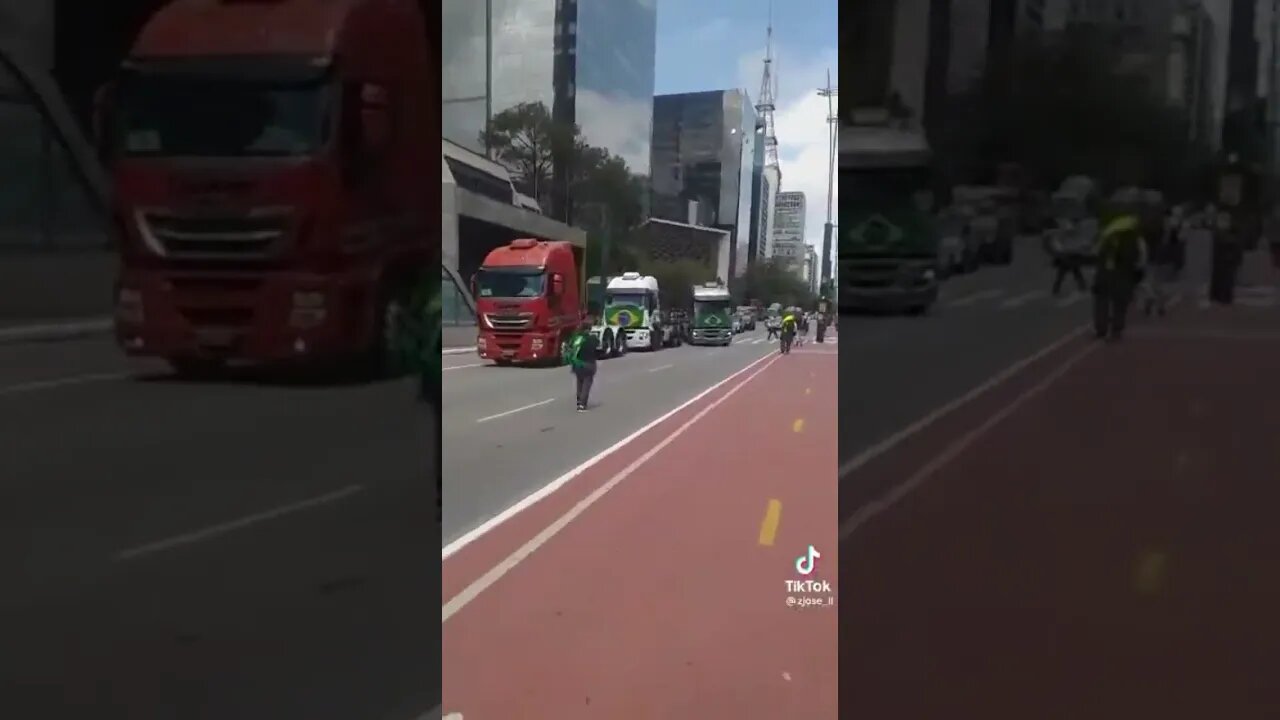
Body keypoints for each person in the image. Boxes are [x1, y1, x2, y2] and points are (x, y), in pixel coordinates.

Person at [1093, 211, 1147, 341]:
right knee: (1120, 303)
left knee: (1102, 301)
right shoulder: (1133, 238)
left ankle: (1101, 328)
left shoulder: (1107, 235)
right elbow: (1139, 258)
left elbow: (1096, 252)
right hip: (1123, 274)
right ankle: (1117, 328)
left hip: (1104, 273)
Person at [564, 315, 599, 411]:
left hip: (577, 363)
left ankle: (579, 400)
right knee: (587, 383)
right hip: (589, 363)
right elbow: (597, 346)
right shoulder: (592, 338)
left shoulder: (576, 338)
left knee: (579, 382)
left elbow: (569, 346)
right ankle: (582, 404)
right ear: (589, 328)